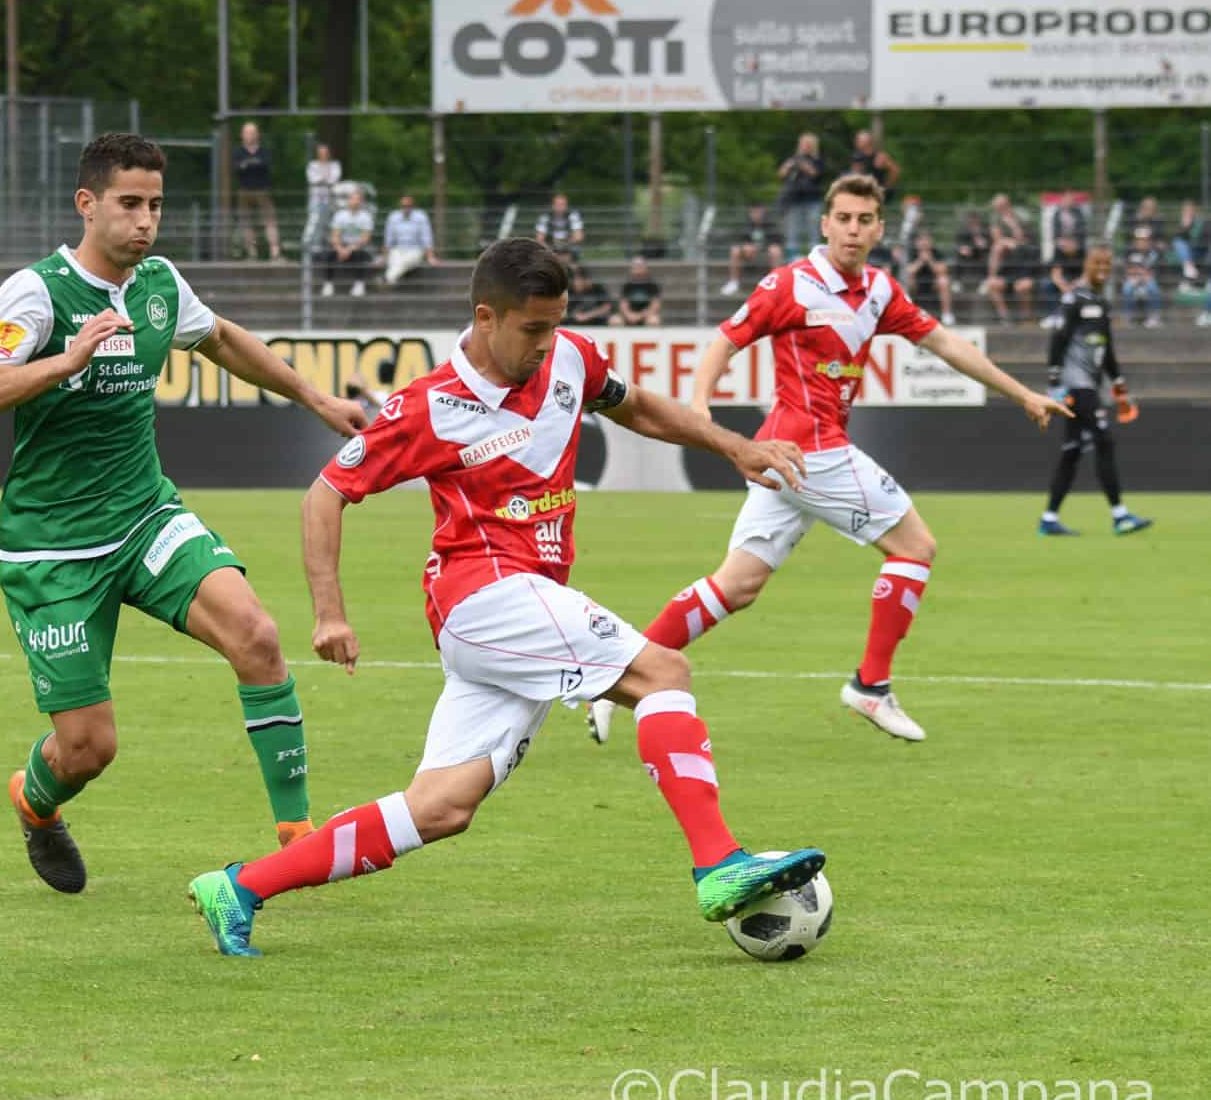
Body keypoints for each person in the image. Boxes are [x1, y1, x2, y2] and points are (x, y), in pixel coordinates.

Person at [186, 238, 824, 958]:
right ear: (485, 317)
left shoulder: (569, 358)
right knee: (663, 673)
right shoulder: (428, 407)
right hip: (483, 595)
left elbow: (636, 405)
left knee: (441, 807)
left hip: (516, 608)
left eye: (554, 324)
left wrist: (733, 446)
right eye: (531, 328)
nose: (545, 342)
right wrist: (329, 613)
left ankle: (237, 888)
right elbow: (325, 495)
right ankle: (718, 864)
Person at [0, 133, 368, 893]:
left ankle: (297, 835)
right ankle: (34, 802)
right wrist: (65, 361)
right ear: (87, 204)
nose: (145, 222)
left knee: (258, 635)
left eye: (155, 206)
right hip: (53, 549)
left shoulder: (159, 284)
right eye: (129, 204)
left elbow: (222, 339)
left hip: (145, 516)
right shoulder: (37, 293)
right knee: (86, 750)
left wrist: (313, 396)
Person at [586, 175, 1071, 747]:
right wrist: (700, 413)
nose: (853, 229)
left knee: (736, 586)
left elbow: (946, 343)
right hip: (810, 453)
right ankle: (871, 685)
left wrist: (1022, 393)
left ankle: (613, 676)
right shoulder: (791, 284)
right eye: (843, 218)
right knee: (915, 547)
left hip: (785, 457)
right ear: (825, 223)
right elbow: (725, 340)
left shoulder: (880, 291)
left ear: (879, 227)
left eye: (865, 219)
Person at [1038, 246, 1153, 538]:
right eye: (1097, 263)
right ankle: (1120, 516)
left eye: (1107, 263)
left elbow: (1107, 349)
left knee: (1073, 449)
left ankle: (1049, 519)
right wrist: (1054, 384)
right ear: (1087, 266)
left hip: (1091, 384)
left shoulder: (1101, 302)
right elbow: (1057, 340)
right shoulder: (1074, 299)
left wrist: (1119, 384)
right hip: (1076, 385)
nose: (1103, 267)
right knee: (1103, 439)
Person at [232, 122, 281, 261]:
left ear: (257, 134)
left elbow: (265, 166)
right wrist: (254, 164)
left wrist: (247, 164)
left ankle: (275, 252)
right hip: (244, 191)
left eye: (252, 132)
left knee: (270, 221)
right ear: (242, 135)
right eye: (247, 132)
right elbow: (237, 168)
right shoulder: (237, 151)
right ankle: (252, 253)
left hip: (263, 191)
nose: (250, 135)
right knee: (246, 222)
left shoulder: (265, 151)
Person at [985, 195, 1038, 324]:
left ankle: (1026, 318)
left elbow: (1025, 239)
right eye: (998, 207)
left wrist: (1014, 228)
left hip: (1023, 265)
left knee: (1023, 286)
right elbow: (997, 239)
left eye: (1003, 205)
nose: (1001, 209)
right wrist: (1008, 242)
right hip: (1005, 268)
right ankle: (1005, 317)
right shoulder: (995, 221)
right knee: (993, 284)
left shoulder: (1020, 217)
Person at [319, 188, 376, 297]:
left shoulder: (366, 217)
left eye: (358, 199)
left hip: (358, 247)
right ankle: (328, 283)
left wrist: (349, 249)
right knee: (328, 253)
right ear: (349, 200)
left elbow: (366, 238)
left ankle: (359, 284)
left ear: (361, 202)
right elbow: (335, 236)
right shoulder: (340, 215)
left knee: (361, 255)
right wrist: (340, 249)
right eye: (353, 199)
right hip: (342, 246)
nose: (355, 201)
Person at [776, 133, 824, 258]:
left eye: (807, 144)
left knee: (813, 232)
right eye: (803, 144)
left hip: (812, 200)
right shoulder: (793, 159)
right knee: (792, 233)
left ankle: (815, 259)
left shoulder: (817, 160)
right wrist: (789, 166)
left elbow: (815, 174)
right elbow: (781, 174)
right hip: (794, 200)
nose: (804, 147)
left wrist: (803, 165)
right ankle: (793, 259)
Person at [720, 204, 784, 297]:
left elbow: (778, 240)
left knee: (776, 250)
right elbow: (737, 239)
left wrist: (763, 247)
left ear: (763, 212)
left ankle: (776, 283)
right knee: (735, 250)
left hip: (766, 252)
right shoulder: (745, 224)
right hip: (748, 253)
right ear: (750, 213)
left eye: (758, 212)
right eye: (754, 212)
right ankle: (734, 282)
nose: (756, 214)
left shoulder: (770, 224)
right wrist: (745, 246)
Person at [380, 193, 439, 286]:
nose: (406, 208)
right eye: (404, 206)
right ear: (400, 206)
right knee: (395, 259)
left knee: (406, 260)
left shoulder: (421, 217)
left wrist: (430, 257)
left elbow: (426, 237)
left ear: (413, 206)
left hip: (415, 249)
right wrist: (383, 257)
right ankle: (390, 279)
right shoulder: (393, 217)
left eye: (408, 206)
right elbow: (388, 239)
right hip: (398, 249)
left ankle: (386, 279)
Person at [902, 230, 955, 325]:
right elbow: (908, 271)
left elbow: (942, 270)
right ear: (917, 242)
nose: (924, 243)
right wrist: (920, 261)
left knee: (944, 280)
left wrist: (930, 260)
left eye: (926, 240)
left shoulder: (937, 253)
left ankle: (946, 314)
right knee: (907, 280)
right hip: (916, 284)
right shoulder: (912, 253)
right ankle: (906, 315)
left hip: (933, 285)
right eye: (921, 240)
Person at [1120, 226, 1163, 327]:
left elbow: (1155, 271)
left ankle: (1154, 317)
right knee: (1127, 289)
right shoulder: (1129, 251)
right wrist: (1137, 273)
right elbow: (1127, 269)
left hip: (1148, 278)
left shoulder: (1154, 253)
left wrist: (1142, 274)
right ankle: (1128, 318)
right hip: (1132, 277)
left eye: (1145, 240)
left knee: (1153, 289)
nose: (1142, 242)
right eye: (1140, 240)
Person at [848, 129, 900, 205]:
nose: (856, 142)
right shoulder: (857, 157)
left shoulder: (880, 157)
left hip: (875, 195)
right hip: (861, 195)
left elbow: (895, 170)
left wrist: (887, 187)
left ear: (867, 142)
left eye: (858, 140)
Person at [304, 142, 342, 246]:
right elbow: (312, 179)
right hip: (315, 197)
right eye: (321, 152)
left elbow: (334, 179)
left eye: (325, 152)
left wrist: (321, 179)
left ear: (329, 153)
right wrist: (325, 179)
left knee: (327, 222)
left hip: (330, 198)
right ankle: (308, 243)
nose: (323, 154)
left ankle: (322, 247)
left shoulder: (335, 165)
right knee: (314, 220)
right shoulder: (313, 165)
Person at [952, 211, 993, 299]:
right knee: (959, 257)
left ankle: (985, 283)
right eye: (971, 221)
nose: (973, 224)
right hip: (967, 255)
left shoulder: (985, 231)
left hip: (980, 255)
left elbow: (988, 245)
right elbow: (959, 244)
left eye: (975, 221)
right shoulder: (963, 231)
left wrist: (982, 243)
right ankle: (956, 282)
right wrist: (963, 248)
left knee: (986, 259)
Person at [534, 192, 584, 258]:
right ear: (553, 205)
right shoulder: (545, 217)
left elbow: (579, 236)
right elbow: (539, 238)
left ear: (566, 206)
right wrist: (551, 247)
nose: (560, 207)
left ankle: (571, 266)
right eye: (557, 204)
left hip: (568, 245)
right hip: (550, 246)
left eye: (562, 204)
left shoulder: (573, 216)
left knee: (574, 249)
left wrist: (563, 244)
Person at [616, 255, 662, 326]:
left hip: (646, 316)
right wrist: (629, 315)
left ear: (645, 268)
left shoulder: (652, 285)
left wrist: (640, 316)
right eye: (635, 266)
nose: (638, 268)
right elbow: (623, 305)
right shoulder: (627, 285)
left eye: (640, 266)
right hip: (629, 316)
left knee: (654, 320)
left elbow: (655, 305)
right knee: (615, 320)